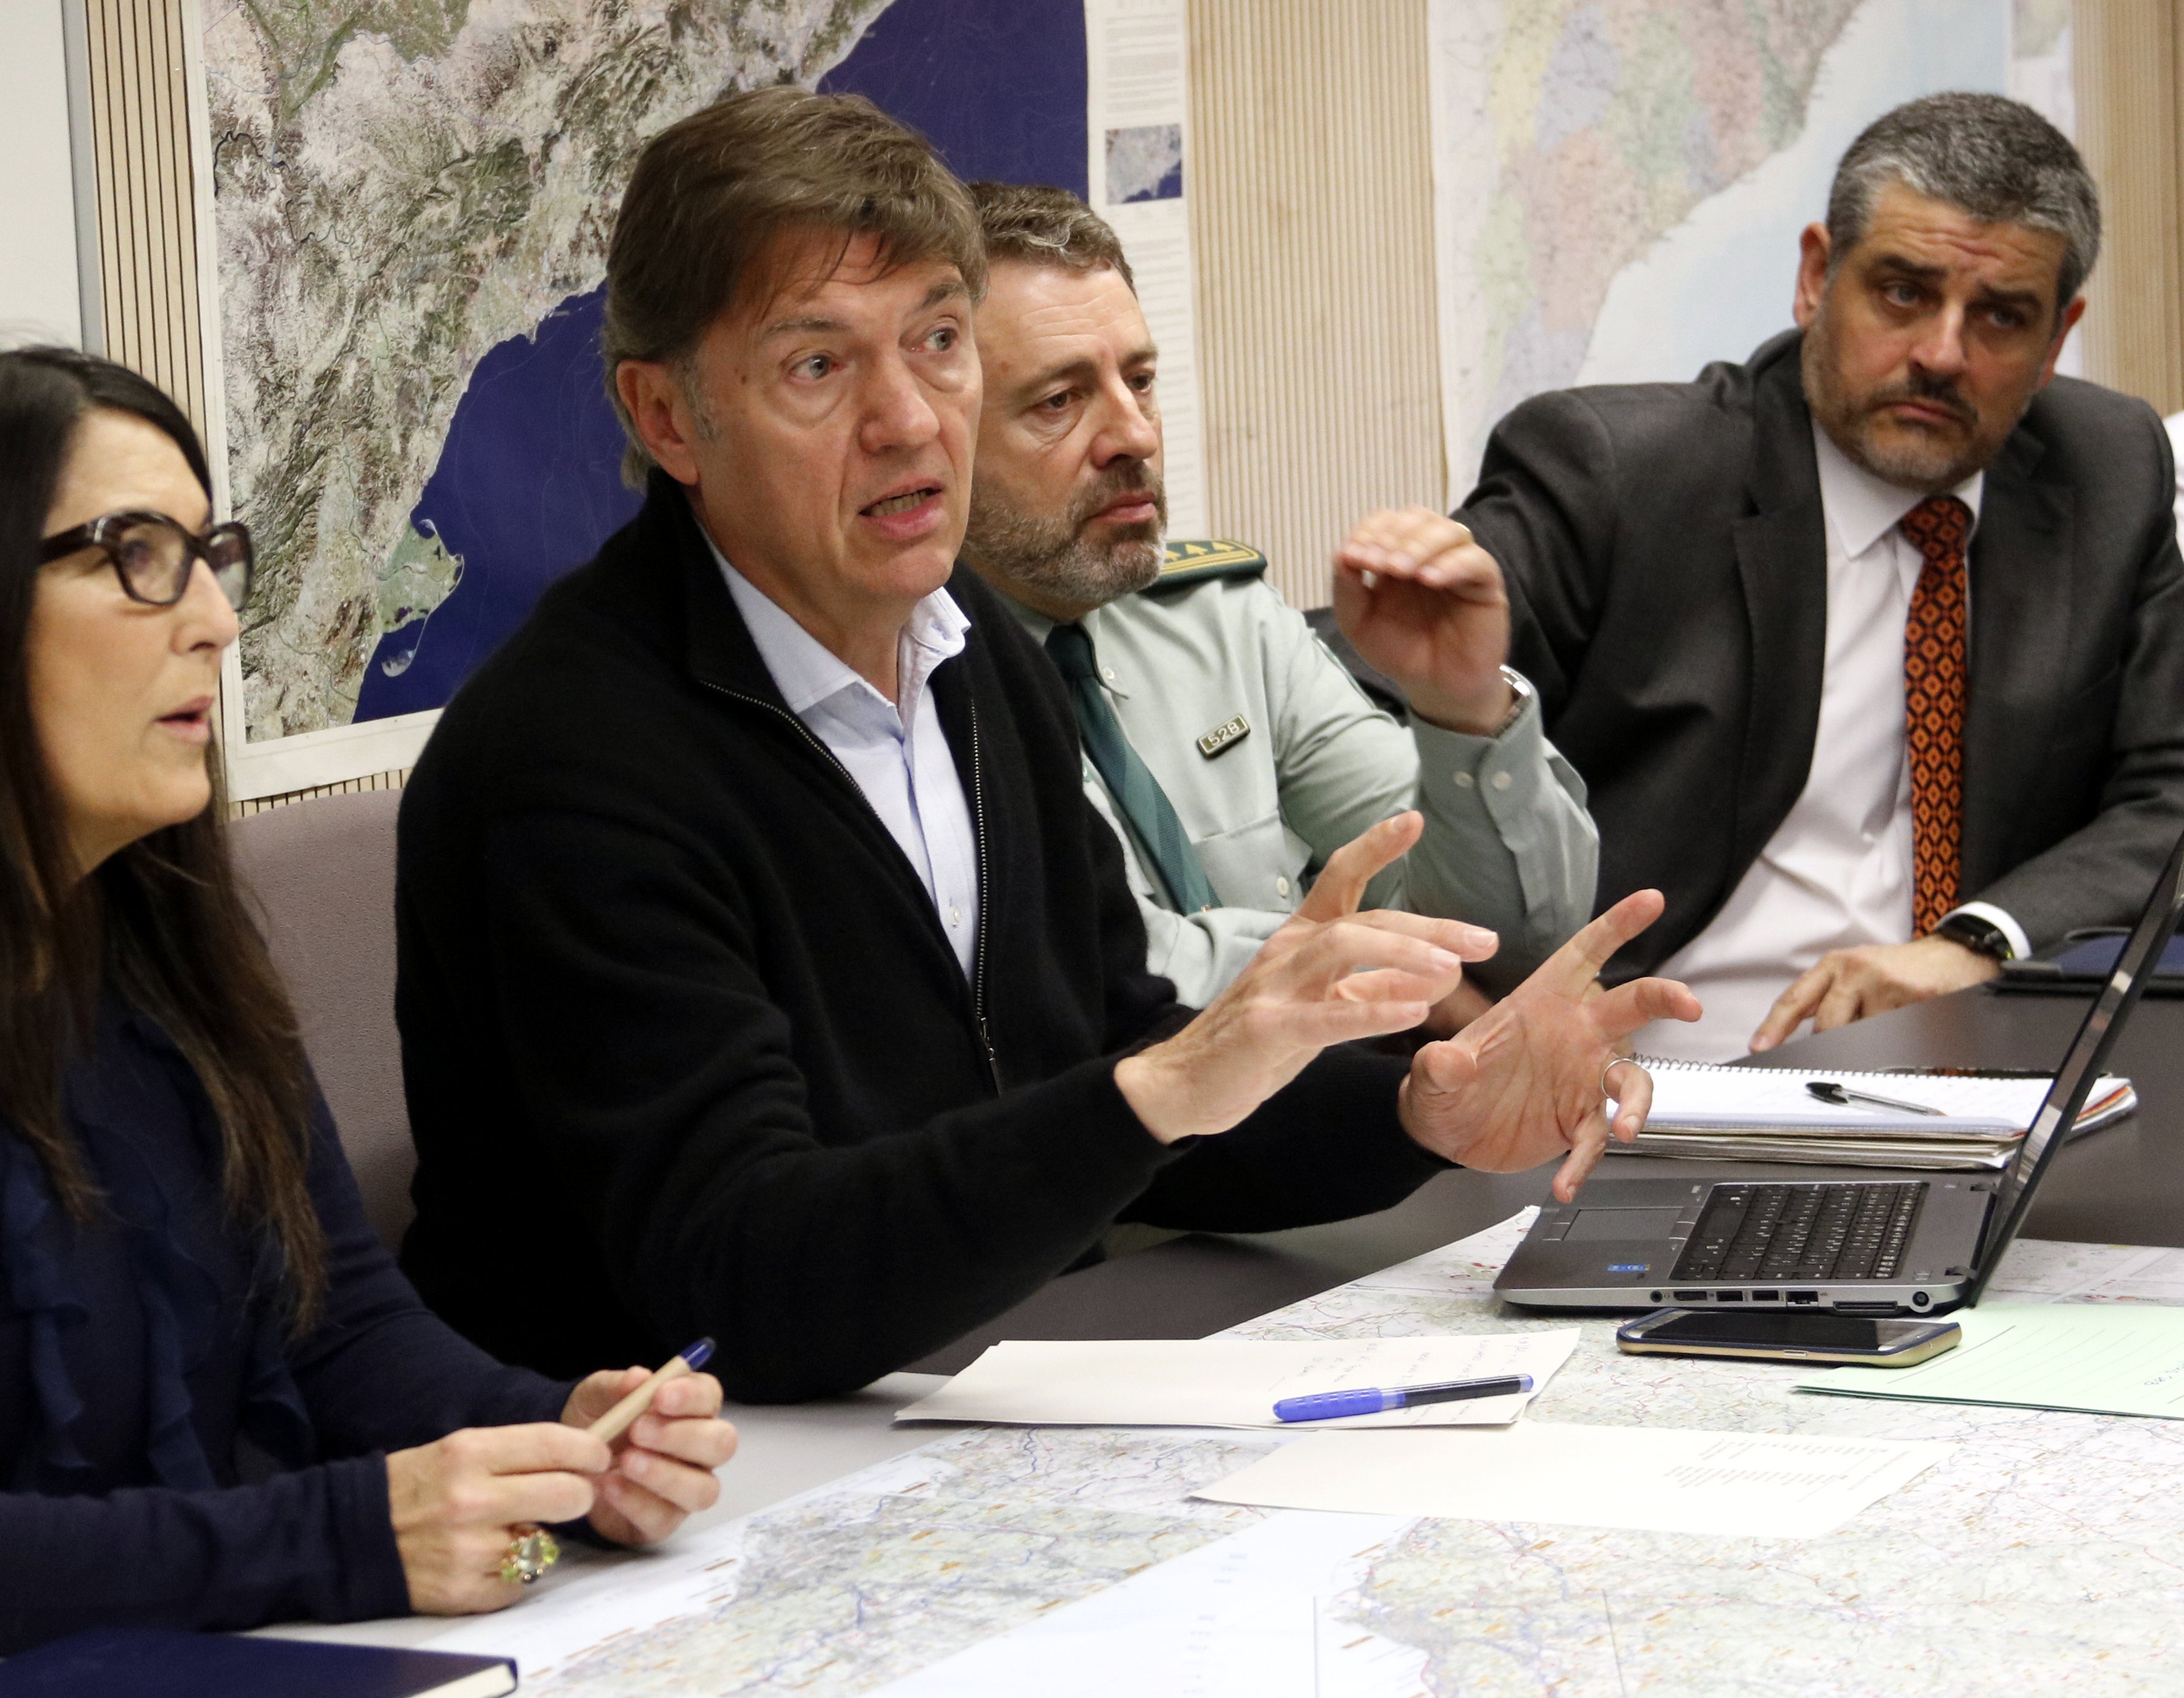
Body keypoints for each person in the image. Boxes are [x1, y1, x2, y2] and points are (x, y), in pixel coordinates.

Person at [392, 86, 1695, 1405]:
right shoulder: (576, 757)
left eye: (941, 340)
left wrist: (1423, 1111)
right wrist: (1158, 1086)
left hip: (973, 1385)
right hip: (663, 1479)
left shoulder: (972, 656)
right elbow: (743, 1281)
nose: (909, 419)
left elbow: (1123, 1070)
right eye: (820, 365)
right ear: (668, 417)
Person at [0, 345, 736, 1697]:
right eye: (136, 554)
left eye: (208, 552)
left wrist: (557, 1441)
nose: (215, 621)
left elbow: (342, 1328)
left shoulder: (156, 942)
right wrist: (351, 1532)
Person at [1461, 92, 2184, 1061]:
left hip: (1966, 1081)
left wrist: (1975, 942)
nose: (1940, 353)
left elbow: (2171, 790)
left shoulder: (2110, 470)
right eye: (1901, 292)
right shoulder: (1619, 476)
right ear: (1815, 277)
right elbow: (1382, 709)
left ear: (2057, 341)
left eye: (2002, 318)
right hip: (1658, 1085)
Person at [958, 181, 1597, 1007]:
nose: (1135, 435)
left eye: (1141, 381)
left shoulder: (1220, 619)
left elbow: (1516, 941)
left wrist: (1462, 708)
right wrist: (1401, 988)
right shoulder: (915, 681)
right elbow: (1114, 979)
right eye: (1059, 400)